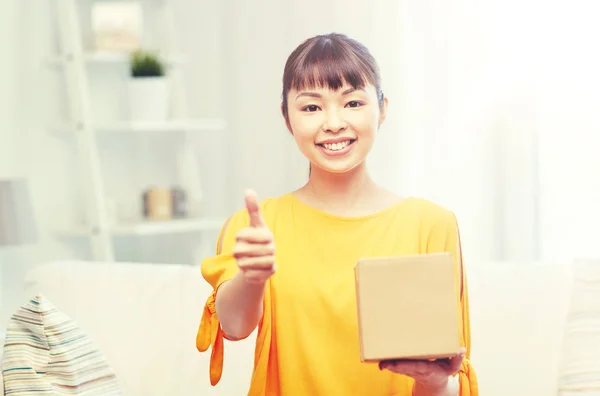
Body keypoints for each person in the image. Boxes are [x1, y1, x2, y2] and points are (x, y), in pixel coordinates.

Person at [196, 32, 478, 396]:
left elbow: (444, 381)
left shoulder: (431, 225)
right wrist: (253, 277)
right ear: (287, 118)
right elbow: (234, 326)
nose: (333, 123)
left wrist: (436, 379)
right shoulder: (258, 227)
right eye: (311, 107)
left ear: (383, 109)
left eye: (352, 103)